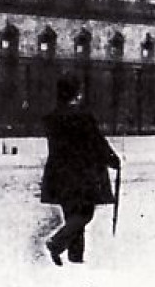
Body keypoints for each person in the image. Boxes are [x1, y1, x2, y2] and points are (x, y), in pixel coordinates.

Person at [41, 76, 121, 266]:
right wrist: (112, 159)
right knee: (85, 213)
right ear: (76, 93)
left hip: (58, 174)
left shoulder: (52, 117)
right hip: (82, 173)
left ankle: (75, 258)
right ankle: (57, 243)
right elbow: (96, 142)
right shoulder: (83, 117)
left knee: (71, 214)